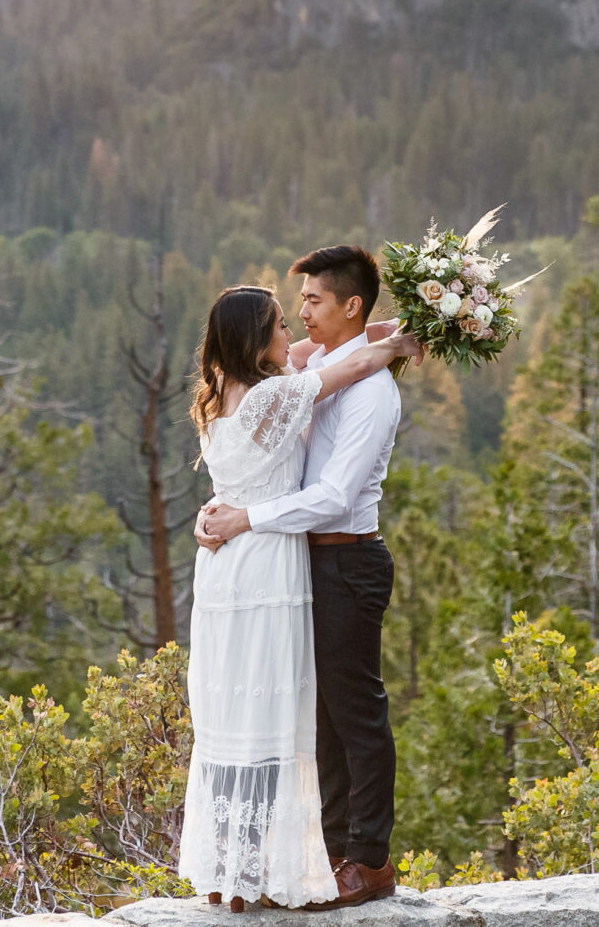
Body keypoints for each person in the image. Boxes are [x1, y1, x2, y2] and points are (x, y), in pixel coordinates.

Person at [179, 285, 418, 912]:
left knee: (231, 714)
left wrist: (387, 322)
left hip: (221, 570)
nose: (296, 332)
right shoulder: (277, 396)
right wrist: (400, 341)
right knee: (273, 715)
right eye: (283, 324)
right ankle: (266, 870)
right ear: (259, 342)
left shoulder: (217, 397)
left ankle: (232, 869)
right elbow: (353, 362)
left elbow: (324, 344)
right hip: (266, 564)